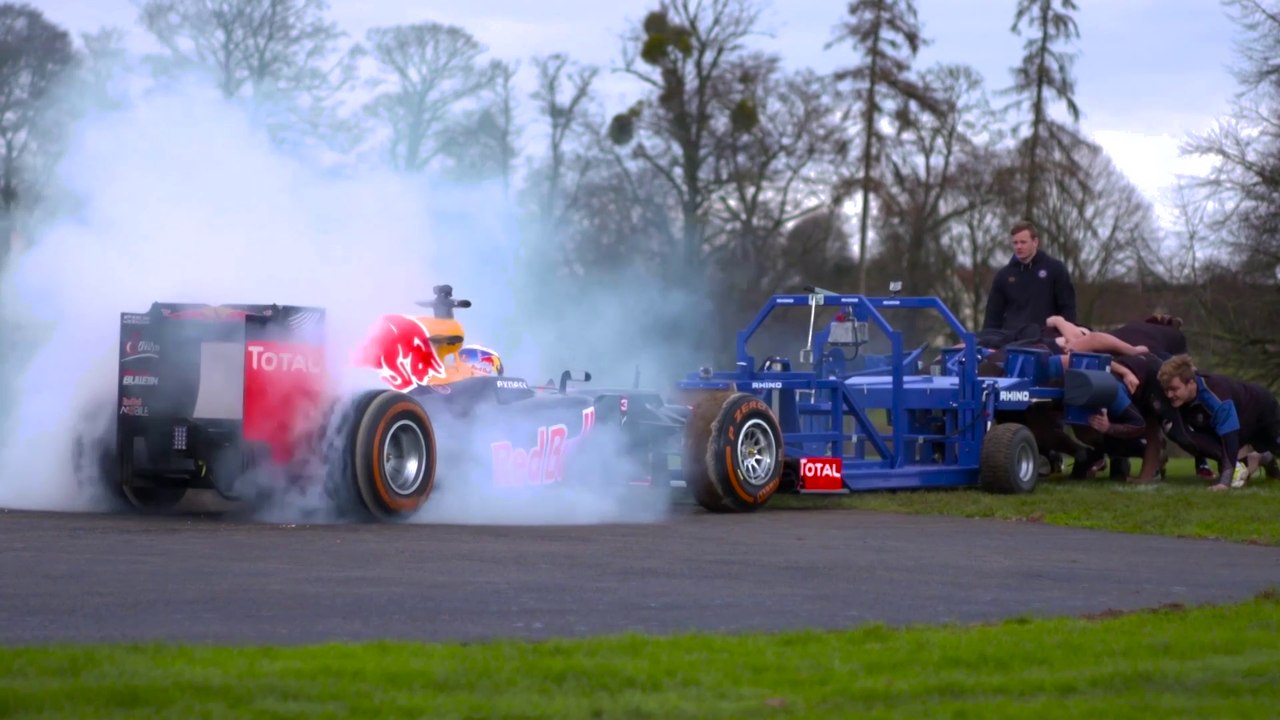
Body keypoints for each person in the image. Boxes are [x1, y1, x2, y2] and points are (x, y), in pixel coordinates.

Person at [1156, 354, 1280, 491]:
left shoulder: (1216, 398)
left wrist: (1224, 483)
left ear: (1191, 383)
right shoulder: (1182, 394)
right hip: (1238, 418)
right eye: (1166, 390)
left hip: (1261, 408)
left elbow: (1230, 439)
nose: (1169, 395)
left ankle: (1263, 457)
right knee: (1235, 474)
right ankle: (1263, 458)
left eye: (1174, 389)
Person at [981, 220, 1077, 343]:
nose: (1018, 247)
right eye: (1015, 243)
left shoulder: (1055, 269)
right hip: (1011, 340)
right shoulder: (1003, 276)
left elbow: (1067, 307)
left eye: (1023, 242)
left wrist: (1068, 335)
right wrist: (986, 340)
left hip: (1046, 339)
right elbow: (993, 315)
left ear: (1035, 242)